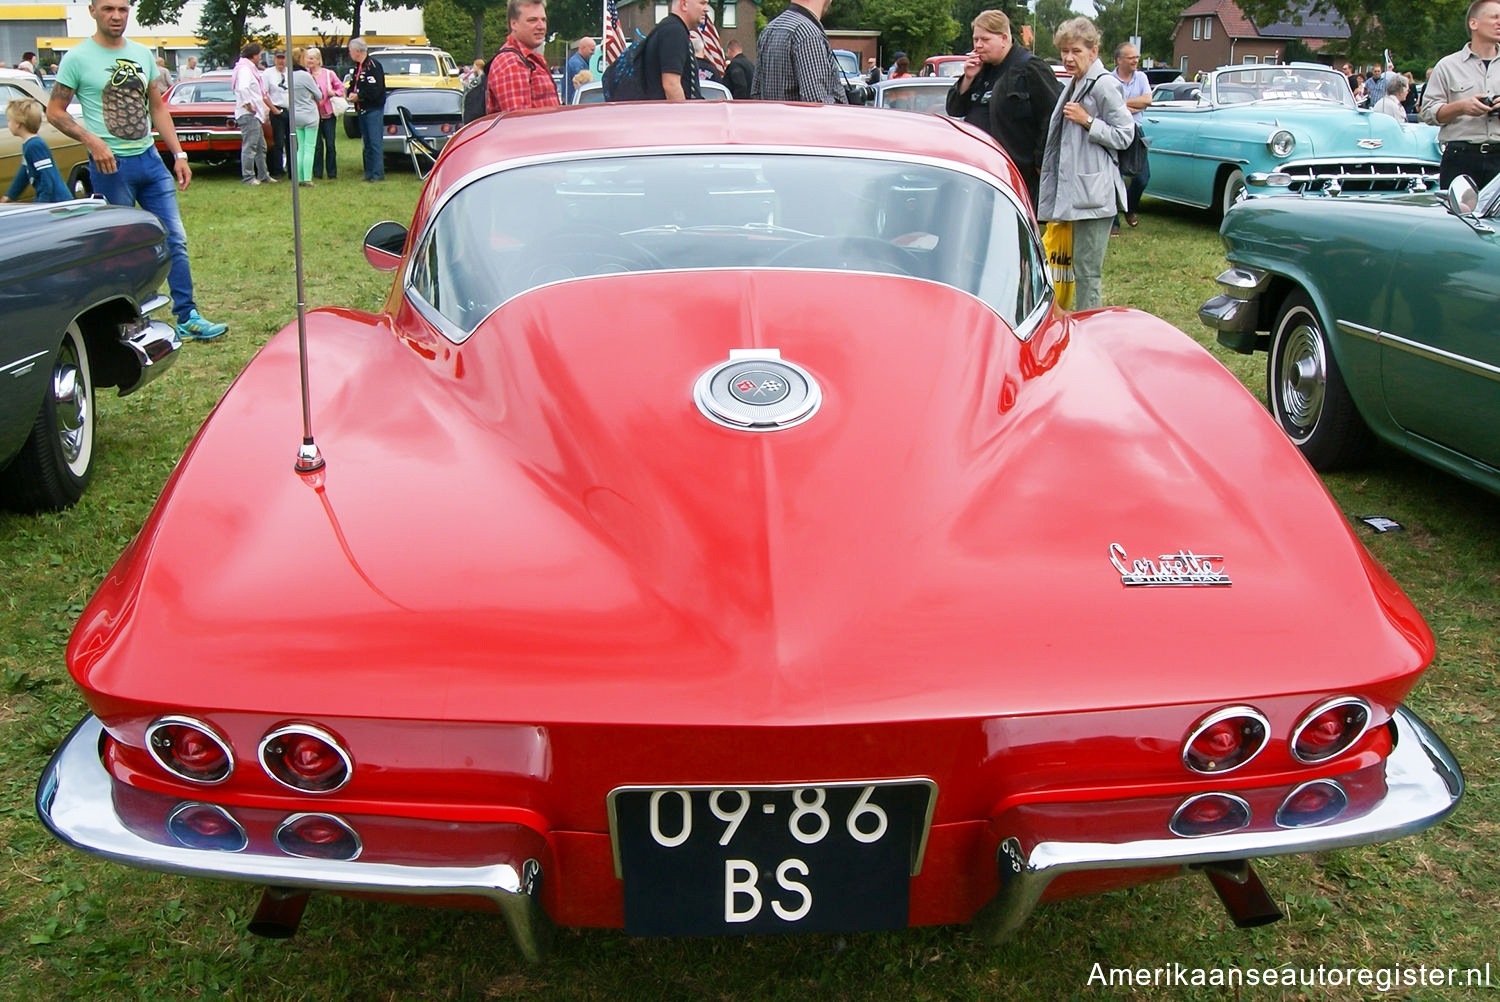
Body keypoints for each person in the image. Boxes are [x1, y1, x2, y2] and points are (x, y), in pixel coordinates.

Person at [48, 0, 226, 339]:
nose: (116, 16)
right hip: (110, 166)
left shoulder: (143, 55)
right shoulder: (77, 58)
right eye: (108, 9)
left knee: (175, 239)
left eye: (122, 9)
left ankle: (187, 316)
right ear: (93, 11)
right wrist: (93, 142)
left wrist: (179, 153)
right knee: (120, 248)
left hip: (150, 161)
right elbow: (55, 111)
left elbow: (157, 108)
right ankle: (126, 322)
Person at [1036, 16, 1133, 312]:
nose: (1068, 58)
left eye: (1076, 51)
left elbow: (1125, 134)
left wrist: (1088, 121)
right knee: (1074, 268)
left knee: (1088, 273)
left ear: (1094, 51)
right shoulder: (1076, 82)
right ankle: (1076, 323)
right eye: (1064, 51)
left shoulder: (1103, 85)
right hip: (1078, 194)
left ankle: (1091, 331)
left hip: (1095, 195)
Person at [947, 9, 1061, 208]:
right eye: (975, 39)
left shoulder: (1030, 68)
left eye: (985, 39)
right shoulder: (980, 68)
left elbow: (1051, 117)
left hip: (1017, 172)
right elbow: (954, 109)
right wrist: (968, 78)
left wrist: (1040, 165)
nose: (978, 46)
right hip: (979, 168)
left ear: (1004, 38)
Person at [1421, 0, 1500, 189]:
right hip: (1461, 158)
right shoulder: (1448, 66)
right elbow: (1428, 114)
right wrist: (1461, 107)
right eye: (1495, 17)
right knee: (1456, 218)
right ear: (1474, 24)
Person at [751, 0, 845, 104]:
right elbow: (817, 105)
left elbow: (756, 95)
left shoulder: (768, 30)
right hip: (802, 120)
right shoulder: (809, 35)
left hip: (771, 119)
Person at [486, 0, 562, 113]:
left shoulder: (530, 59)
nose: (541, 26)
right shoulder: (511, 62)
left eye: (543, 20)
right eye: (532, 20)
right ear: (514, 24)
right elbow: (519, 123)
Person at [1110, 41, 1151, 229]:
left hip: (1136, 132)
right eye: (1131, 57)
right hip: (1116, 132)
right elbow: (1111, 109)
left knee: (1142, 178)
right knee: (1113, 177)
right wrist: (1133, 106)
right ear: (1119, 60)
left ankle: (1129, 207)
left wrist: (1124, 104)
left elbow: (1147, 100)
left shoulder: (1141, 78)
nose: (1136, 61)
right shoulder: (1109, 80)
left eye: (1137, 57)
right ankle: (1113, 222)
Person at [2, 98, 70, 203]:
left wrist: (40, 204)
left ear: (18, 123)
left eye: (9, 120)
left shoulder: (35, 145)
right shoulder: (28, 144)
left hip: (57, 202)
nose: (8, 124)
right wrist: (9, 196)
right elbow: (24, 173)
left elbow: (47, 179)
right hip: (52, 201)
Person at [644, 0, 707, 101]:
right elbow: (671, 84)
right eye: (702, 3)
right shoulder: (674, 31)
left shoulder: (671, 28)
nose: (706, 9)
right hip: (668, 115)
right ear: (684, 4)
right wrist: (683, 115)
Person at [230, 42, 272, 185]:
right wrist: (249, 105)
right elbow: (242, 88)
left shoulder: (248, 68)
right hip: (249, 114)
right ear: (254, 55)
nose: (260, 57)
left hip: (255, 114)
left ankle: (263, 175)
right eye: (259, 54)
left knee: (261, 146)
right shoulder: (245, 70)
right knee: (250, 146)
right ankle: (248, 177)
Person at [347, 38, 385, 181]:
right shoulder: (358, 67)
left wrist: (359, 96)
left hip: (373, 109)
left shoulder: (373, 66)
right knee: (366, 143)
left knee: (375, 143)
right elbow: (354, 84)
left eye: (350, 50)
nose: (350, 53)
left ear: (357, 51)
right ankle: (368, 172)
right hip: (361, 109)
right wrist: (350, 93)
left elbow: (375, 90)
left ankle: (377, 174)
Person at [305, 47, 343, 180]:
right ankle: (317, 173)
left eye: (311, 58)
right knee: (317, 145)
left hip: (328, 114)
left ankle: (332, 173)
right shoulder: (305, 75)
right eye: (307, 58)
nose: (309, 61)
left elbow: (341, 89)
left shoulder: (328, 73)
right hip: (312, 114)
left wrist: (334, 92)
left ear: (318, 60)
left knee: (330, 144)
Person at [287, 47, 321, 186]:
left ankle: (299, 177)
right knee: (309, 147)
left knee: (300, 147)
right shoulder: (305, 75)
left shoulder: (289, 75)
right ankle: (307, 177)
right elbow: (319, 95)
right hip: (309, 114)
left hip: (296, 114)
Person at [262, 50, 289, 179]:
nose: (281, 61)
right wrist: (273, 109)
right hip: (276, 109)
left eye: (283, 58)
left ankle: (292, 169)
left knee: (292, 141)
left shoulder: (291, 73)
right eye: (278, 58)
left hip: (290, 109)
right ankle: (277, 170)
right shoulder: (268, 73)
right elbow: (264, 93)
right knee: (278, 142)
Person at [562, 36, 594, 103]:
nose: (593, 53)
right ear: (583, 48)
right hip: (574, 102)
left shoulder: (578, 61)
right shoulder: (576, 64)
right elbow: (583, 86)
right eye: (592, 50)